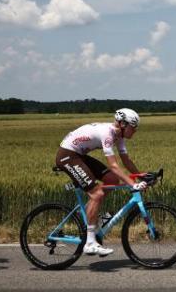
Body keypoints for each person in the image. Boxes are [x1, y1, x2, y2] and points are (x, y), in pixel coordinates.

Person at [56, 108, 146, 257]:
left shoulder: (119, 136)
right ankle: (90, 243)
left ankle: (86, 214)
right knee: (97, 193)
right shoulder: (108, 134)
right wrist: (132, 184)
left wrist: (142, 176)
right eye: (133, 127)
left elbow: (126, 161)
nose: (135, 131)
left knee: (112, 180)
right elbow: (114, 165)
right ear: (123, 124)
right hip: (67, 156)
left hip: (79, 155)